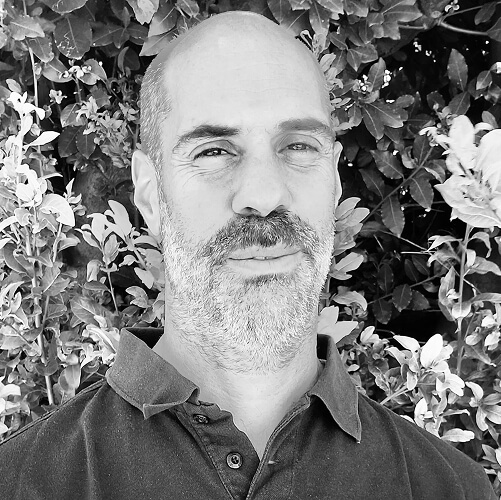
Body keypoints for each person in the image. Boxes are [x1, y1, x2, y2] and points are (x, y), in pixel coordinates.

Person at [0, 11, 496, 500]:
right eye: (214, 150)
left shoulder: (452, 488)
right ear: (150, 194)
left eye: (298, 146)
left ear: (334, 181)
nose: (263, 194)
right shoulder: (21, 483)